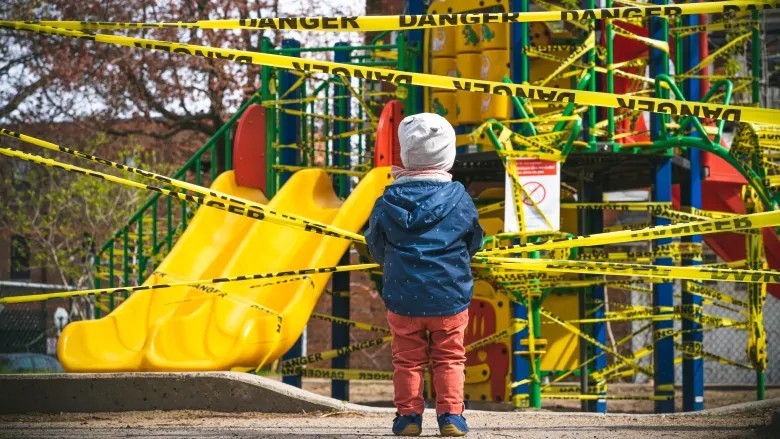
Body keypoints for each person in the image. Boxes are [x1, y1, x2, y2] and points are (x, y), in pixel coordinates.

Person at [365, 113, 484, 437]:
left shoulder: (388, 199)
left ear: (406, 155)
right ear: (448, 156)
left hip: (403, 296)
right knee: (449, 358)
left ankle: (408, 418)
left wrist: (386, 261)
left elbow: (375, 243)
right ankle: (451, 417)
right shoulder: (459, 198)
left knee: (407, 361)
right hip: (449, 295)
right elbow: (474, 239)